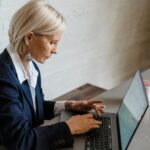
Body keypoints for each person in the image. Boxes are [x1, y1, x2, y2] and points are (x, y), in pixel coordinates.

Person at [0, 1, 105, 150]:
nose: (56, 50)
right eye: (52, 42)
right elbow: (20, 141)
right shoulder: (3, 78)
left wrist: (70, 105)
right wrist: (70, 128)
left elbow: (35, 108)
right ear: (29, 38)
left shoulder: (31, 66)